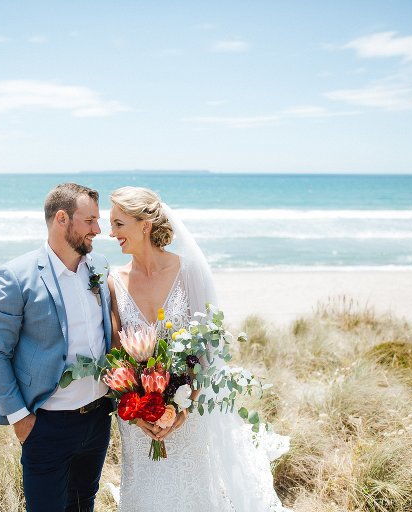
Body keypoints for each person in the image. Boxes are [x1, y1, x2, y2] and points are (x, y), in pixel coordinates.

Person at [107, 186, 291, 512]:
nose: (112, 233)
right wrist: (138, 416)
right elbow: (116, 356)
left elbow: (207, 349)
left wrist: (182, 407)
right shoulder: (114, 281)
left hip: (188, 414)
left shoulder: (188, 271)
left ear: (144, 224)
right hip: (138, 423)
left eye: (119, 224)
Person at [0, 182, 113, 512]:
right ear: (61, 219)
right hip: (46, 425)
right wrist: (20, 419)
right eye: (90, 221)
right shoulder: (16, 276)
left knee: (84, 505)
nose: (98, 230)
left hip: (97, 419)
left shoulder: (99, 267)